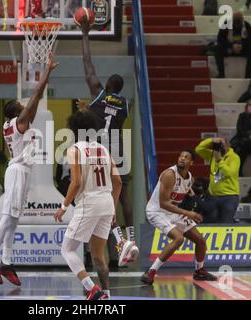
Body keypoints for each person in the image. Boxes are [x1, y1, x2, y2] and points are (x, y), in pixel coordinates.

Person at [0, 54, 58, 286]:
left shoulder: (14, 124)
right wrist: (47, 71)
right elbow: (36, 95)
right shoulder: (18, 124)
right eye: (22, 108)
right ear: (17, 113)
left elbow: (35, 99)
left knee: (13, 220)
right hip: (17, 171)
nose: (27, 108)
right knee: (7, 218)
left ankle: (5, 261)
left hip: (21, 171)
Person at [78, 19, 139, 267]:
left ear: (107, 86)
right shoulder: (125, 104)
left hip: (100, 151)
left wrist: (85, 34)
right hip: (118, 149)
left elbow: (87, 64)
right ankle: (131, 240)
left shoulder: (97, 94)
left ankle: (116, 242)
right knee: (123, 198)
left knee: (103, 198)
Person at [53, 111, 122, 300]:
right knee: (99, 256)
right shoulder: (103, 149)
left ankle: (92, 288)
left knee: (67, 249)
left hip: (89, 202)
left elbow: (75, 183)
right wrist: (114, 208)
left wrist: (64, 206)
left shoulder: (74, 149)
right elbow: (118, 182)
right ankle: (106, 293)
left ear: (72, 129)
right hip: (107, 202)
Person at [141, 150, 218, 285]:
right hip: (157, 211)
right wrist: (188, 213)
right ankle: (151, 272)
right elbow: (163, 204)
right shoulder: (169, 175)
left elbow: (179, 201)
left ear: (191, 162)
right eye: (181, 156)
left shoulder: (190, 179)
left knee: (200, 240)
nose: (182, 158)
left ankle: (199, 271)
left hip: (172, 212)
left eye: (186, 157)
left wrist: (190, 213)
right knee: (179, 238)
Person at [195, 138, 241, 223]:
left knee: (226, 223)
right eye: (219, 146)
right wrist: (212, 140)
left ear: (228, 146)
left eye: (222, 145)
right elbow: (199, 149)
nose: (221, 148)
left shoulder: (234, 158)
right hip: (213, 196)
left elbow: (229, 173)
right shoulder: (213, 154)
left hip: (229, 197)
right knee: (210, 222)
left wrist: (219, 160)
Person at [215, 11, 251, 78]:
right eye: (235, 19)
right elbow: (220, 39)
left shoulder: (246, 25)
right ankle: (221, 73)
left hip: (242, 49)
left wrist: (242, 45)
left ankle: (248, 74)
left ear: (242, 19)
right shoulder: (226, 24)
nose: (237, 21)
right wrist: (231, 46)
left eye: (239, 19)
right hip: (229, 49)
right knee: (218, 48)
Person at [230, 100, 251, 176]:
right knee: (243, 147)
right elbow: (240, 130)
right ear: (246, 107)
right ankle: (238, 171)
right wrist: (249, 136)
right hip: (244, 139)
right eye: (250, 105)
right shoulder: (242, 116)